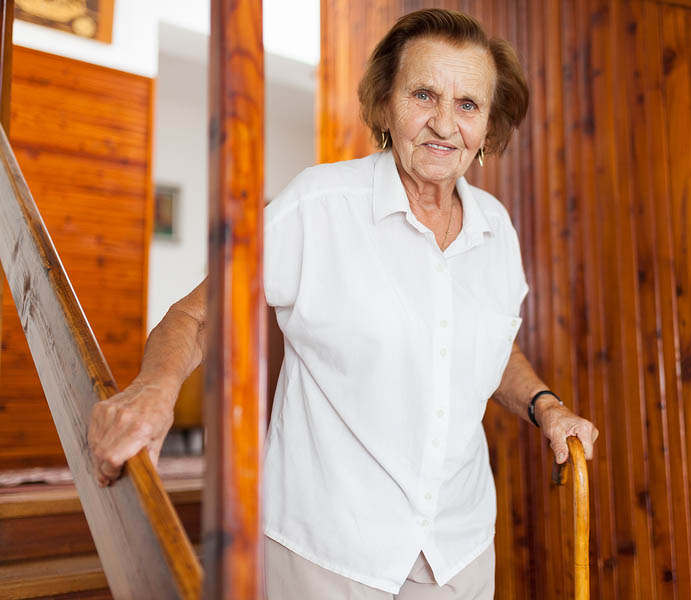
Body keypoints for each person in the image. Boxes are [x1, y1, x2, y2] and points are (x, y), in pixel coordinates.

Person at [89, 8, 600, 599]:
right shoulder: (319, 205)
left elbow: (486, 347)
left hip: (458, 551)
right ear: (386, 105)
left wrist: (545, 405)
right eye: (424, 94)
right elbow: (198, 316)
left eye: (468, 105)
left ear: (488, 126)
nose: (443, 123)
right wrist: (154, 394)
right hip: (326, 553)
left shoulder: (496, 230)